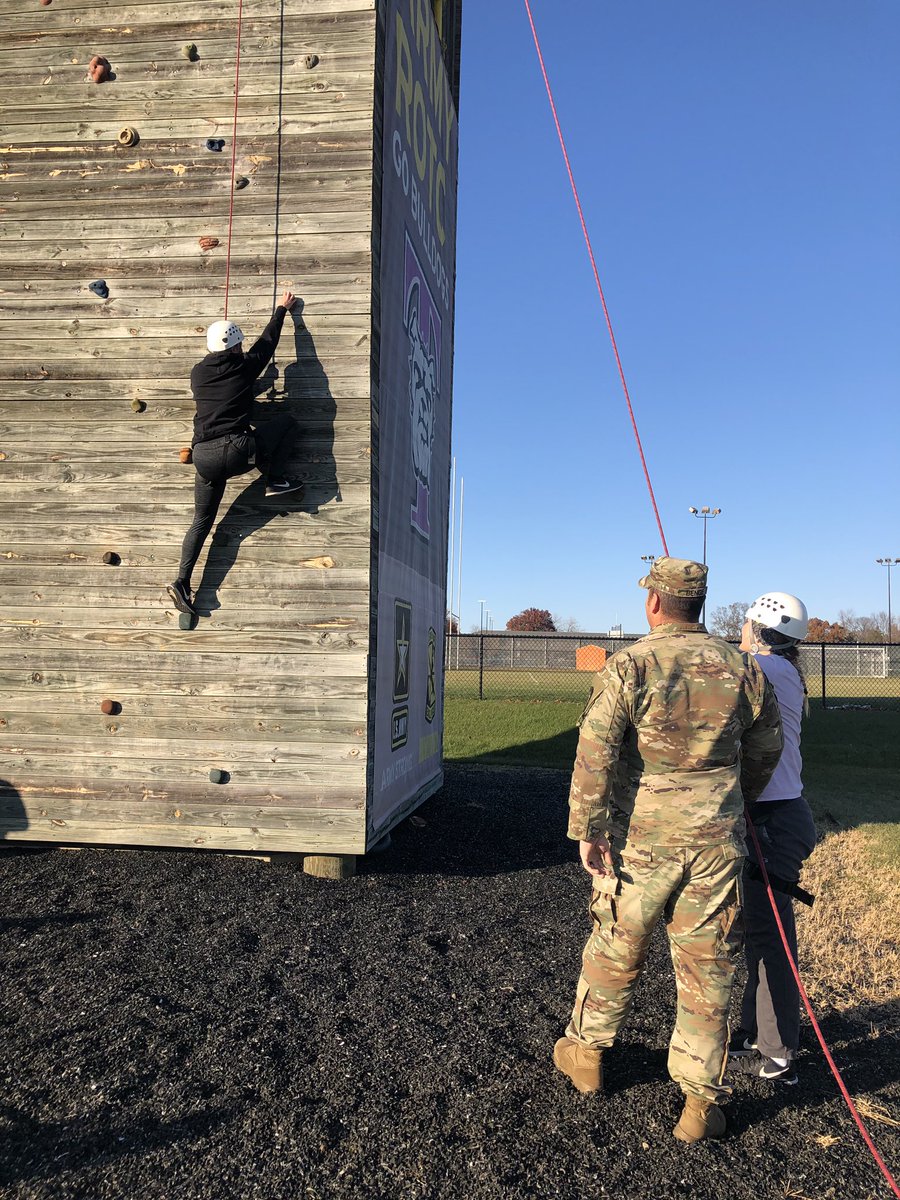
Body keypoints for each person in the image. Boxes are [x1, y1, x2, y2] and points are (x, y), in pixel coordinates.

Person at [552, 557, 784, 1143]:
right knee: (709, 968)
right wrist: (732, 801)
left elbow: (596, 749)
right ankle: (699, 1104)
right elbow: (765, 750)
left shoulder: (629, 665)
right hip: (715, 843)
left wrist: (589, 827)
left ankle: (587, 1056)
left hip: (640, 838)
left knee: (615, 942)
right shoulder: (743, 668)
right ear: (699, 605)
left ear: (654, 602)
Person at [727, 593, 816, 1086]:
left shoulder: (761, 669)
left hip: (773, 822)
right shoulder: (778, 669)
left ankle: (779, 1050)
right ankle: (755, 1031)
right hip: (777, 817)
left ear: (759, 629)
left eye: (746, 623)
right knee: (761, 929)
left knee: (770, 935)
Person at [167, 293, 303, 616]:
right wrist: (282, 310)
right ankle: (276, 480)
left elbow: (226, 394)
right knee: (287, 424)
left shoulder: (197, 374)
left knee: (201, 521)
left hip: (203, 458)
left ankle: (182, 581)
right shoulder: (243, 368)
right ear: (234, 348)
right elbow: (266, 345)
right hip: (234, 451)